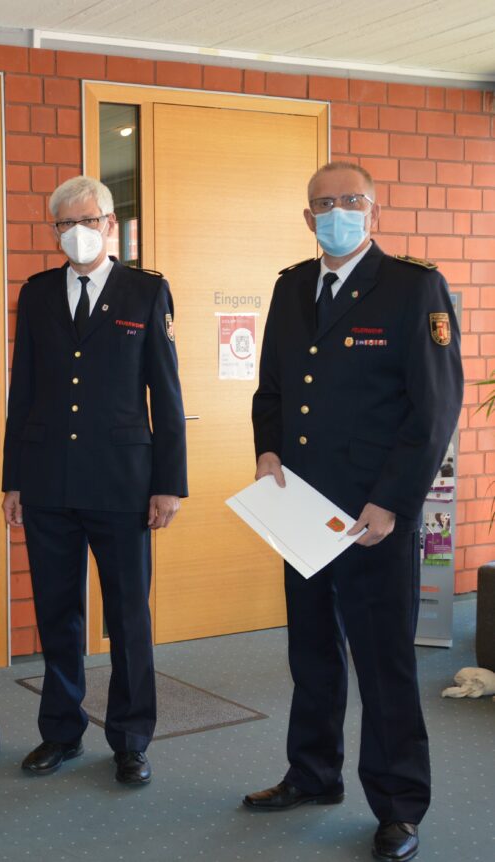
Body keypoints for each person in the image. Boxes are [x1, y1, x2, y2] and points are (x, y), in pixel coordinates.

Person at [245, 162, 462, 862]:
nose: (335, 211)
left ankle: (399, 807)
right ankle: (313, 774)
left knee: (383, 664)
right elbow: (273, 388)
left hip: (374, 516)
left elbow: (433, 410)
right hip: (301, 507)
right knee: (311, 652)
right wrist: (268, 451)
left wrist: (393, 500)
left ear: (373, 210)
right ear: (308, 218)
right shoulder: (290, 287)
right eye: (323, 203)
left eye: (349, 200)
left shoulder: (412, 287)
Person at [2, 175, 187, 785]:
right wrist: (13, 479)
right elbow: (23, 390)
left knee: (128, 617)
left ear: (110, 223)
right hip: (48, 480)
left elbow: (166, 393)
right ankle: (60, 731)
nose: (78, 232)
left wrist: (169, 483)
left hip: (123, 483)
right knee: (58, 614)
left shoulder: (146, 291)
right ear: (54, 230)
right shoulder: (36, 294)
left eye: (89, 220)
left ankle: (131, 739)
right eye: (66, 223)